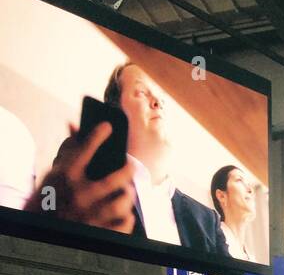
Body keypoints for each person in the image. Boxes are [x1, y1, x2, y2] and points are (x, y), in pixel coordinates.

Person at [24, 63, 227, 256]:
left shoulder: (208, 220)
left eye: (161, 97)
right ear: (116, 114)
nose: (157, 102)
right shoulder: (85, 179)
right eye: (141, 92)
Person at [210, 165, 257, 262]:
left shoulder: (253, 259)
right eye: (239, 180)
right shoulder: (211, 241)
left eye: (248, 183)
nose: (250, 190)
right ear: (222, 196)